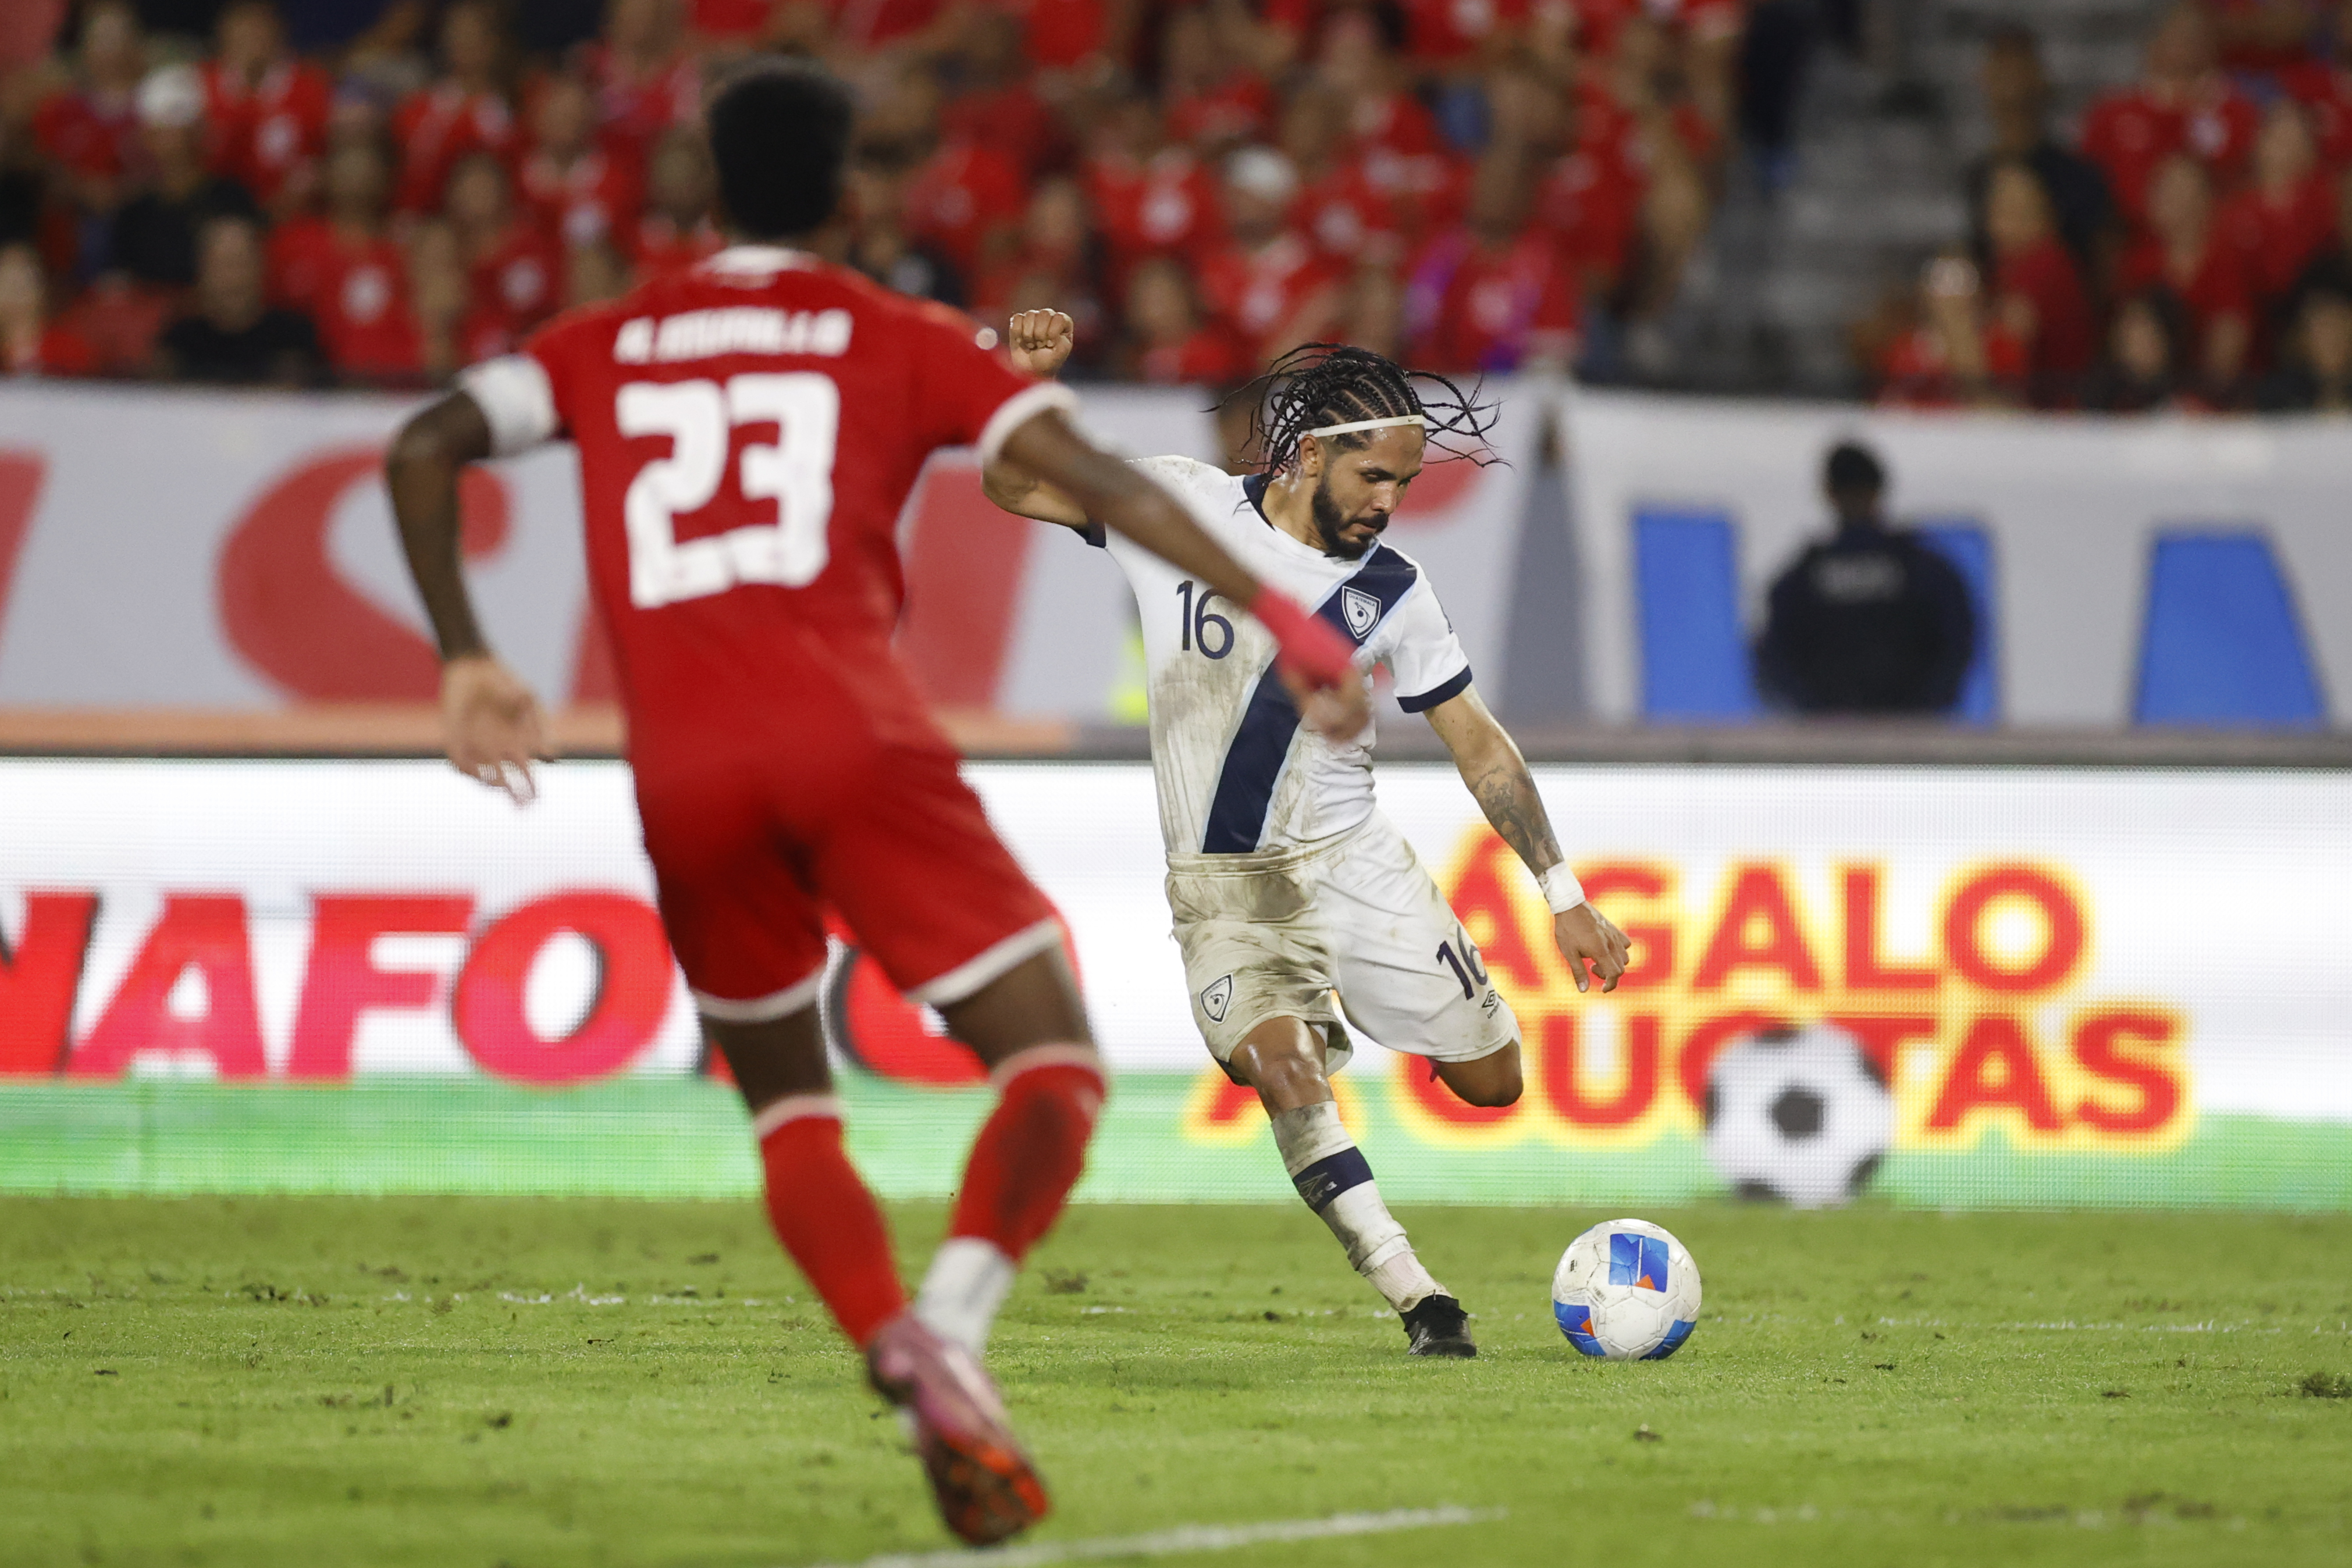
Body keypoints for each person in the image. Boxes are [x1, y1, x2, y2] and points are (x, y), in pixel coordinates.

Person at [381, 58, 1366, 1549]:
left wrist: (465, 657)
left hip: (682, 774)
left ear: (706, 194)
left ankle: (895, 1348)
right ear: (852, 199)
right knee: (1053, 1065)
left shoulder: (604, 342)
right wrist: (1285, 617)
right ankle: (948, 1328)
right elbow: (1104, 479)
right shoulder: (887, 335)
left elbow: (421, 446)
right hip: (850, 741)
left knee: (788, 1109)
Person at [983, 323, 1631, 1357]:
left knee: (1493, 1083)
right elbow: (1014, 487)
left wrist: (1563, 894)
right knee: (1283, 1071)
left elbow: (1479, 745)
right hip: (1223, 893)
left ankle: (1380, 999)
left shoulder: (1393, 590)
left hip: (1353, 866)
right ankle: (1419, 1297)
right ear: (1308, 454)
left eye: (1404, 485)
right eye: (1374, 477)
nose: (1387, 503)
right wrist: (1025, 385)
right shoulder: (1177, 506)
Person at [1754, 442, 1977, 715]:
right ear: (1879, 489)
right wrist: (1922, 711)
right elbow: (1957, 645)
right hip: (1907, 729)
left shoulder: (1801, 580)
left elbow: (1776, 661)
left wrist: (1818, 715)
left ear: (1829, 493)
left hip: (1834, 732)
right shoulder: (1923, 570)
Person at [154, 213, 322, 385]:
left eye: (242, 263)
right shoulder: (178, 346)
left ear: (261, 267)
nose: (234, 279)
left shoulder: (293, 340)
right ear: (202, 272)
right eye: (223, 266)